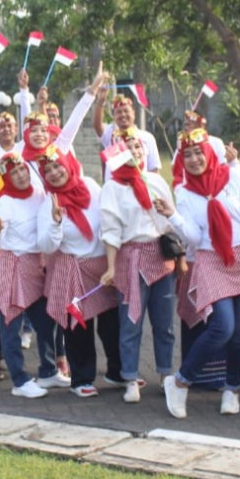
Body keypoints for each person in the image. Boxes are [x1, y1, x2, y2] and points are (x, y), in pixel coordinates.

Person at [163, 129, 240, 419]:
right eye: (187, 155)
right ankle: (180, 381)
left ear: (209, 153)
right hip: (211, 261)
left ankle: (232, 390)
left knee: (239, 335)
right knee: (223, 326)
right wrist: (173, 216)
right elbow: (195, 238)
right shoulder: (184, 192)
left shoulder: (234, 176)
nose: (194, 159)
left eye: (199, 152)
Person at [99, 130, 177, 404]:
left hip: (160, 257)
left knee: (164, 323)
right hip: (130, 257)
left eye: (139, 147)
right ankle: (130, 377)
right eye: (128, 148)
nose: (135, 152)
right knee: (131, 323)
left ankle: (166, 374)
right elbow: (110, 230)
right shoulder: (113, 188)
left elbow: (170, 222)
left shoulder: (156, 181)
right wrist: (111, 267)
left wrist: (180, 258)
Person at [36, 144, 119, 398]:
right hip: (73, 268)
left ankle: (118, 372)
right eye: (48, 170)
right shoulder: (49, 203)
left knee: (112, 323)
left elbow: (108, 219)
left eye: (57, 166)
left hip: (102, 266)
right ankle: (81, 378)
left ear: (68, 164)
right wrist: (56, 222)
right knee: (78, 327)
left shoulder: (91, 186)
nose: (54, 173)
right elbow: (46, 246)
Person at [0, 153, 63, 398]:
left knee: (46, 322)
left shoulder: (40, 194)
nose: (20, 176)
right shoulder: (4, 203)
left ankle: (48, 371)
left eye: (22, 170)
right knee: (11, 327)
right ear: (6, 178)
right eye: (14, 173)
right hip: (13, 267)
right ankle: (19, 380)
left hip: (36, 267)